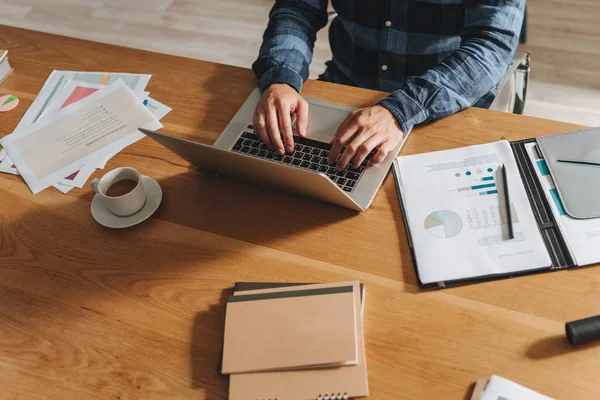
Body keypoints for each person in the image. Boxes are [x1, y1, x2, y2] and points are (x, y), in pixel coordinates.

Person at [251, 0, 525, 171]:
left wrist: (399, 109)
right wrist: (281, 77)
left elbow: (491, 47)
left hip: (443, 109)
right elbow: (297, 8)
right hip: (347, 86)